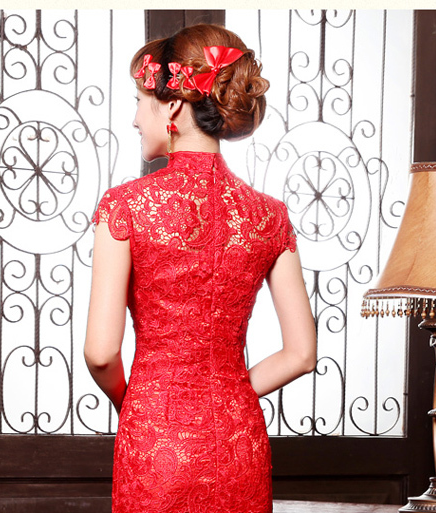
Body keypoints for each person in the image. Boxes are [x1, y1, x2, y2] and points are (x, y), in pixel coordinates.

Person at [84, 23, 317, 513]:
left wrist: (137, 402)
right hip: (238, 443)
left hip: (156, 442)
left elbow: (101, 353)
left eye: (140, 101)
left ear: (172, 107)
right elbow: (301, 355)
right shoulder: (270, 216)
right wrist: (228, 390)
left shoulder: (126, 206)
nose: (134, 119)